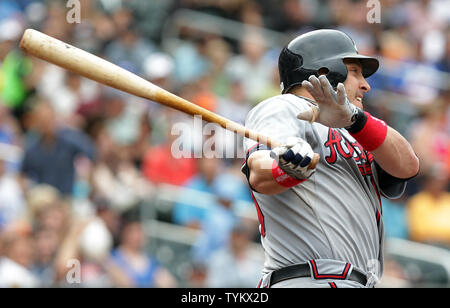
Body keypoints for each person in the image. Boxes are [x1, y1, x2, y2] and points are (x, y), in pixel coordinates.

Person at [241, 29, 419, 288]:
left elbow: (408, 165)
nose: (365, 85)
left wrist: (353, 119)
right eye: (355, 71)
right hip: (306, 277)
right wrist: (286, 168)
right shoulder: (285, 107)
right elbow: (259, 172)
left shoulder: (358, 128)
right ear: (326, 72)